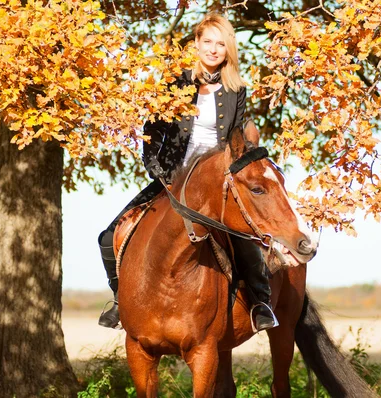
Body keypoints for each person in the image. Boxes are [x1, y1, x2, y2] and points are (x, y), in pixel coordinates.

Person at [97, 13, 278, 333]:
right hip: (173, 178)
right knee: (108, 236)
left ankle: (260, 301)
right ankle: (120, 301)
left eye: (221, 43)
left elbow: (237, 140)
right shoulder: (174, 82)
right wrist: (156, 168)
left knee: (243, 234)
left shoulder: (236, 89)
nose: (213, 49)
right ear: (196, 44)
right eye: (207, 41)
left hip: (217, 181)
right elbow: (151, 133)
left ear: (228, 49)